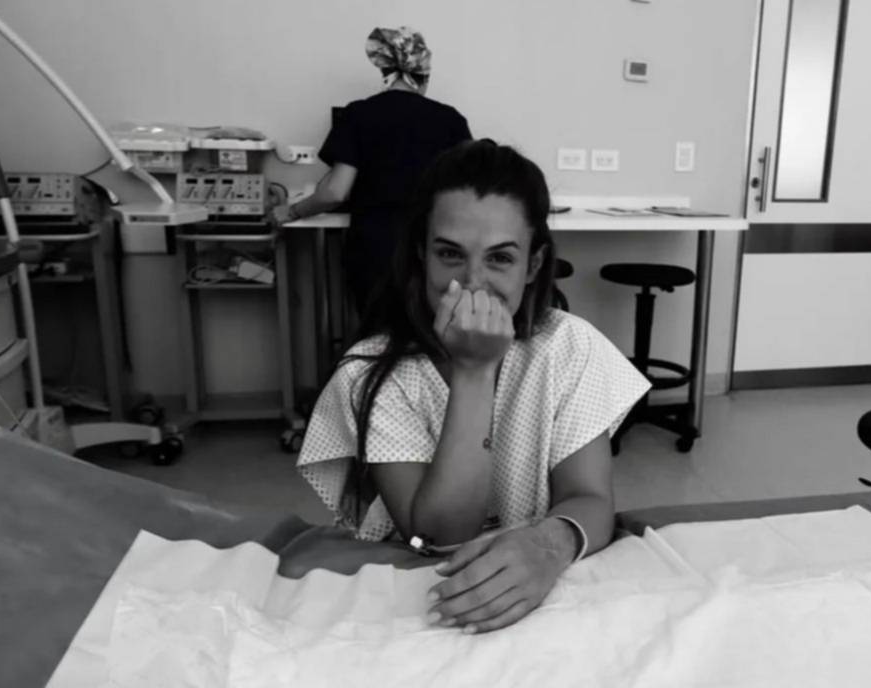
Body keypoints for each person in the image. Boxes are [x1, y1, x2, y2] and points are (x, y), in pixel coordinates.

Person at [297, 140, 650, 634]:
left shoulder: (568, 347)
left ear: (532, 266)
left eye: (500, 258)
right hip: (414, 599)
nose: (473, 282)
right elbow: (438, 537)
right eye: (450, 254)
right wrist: (474, 372)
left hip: (532, 598)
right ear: (422, 255)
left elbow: (589, 497)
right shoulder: (370, 373)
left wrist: (548, 544)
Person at [270, 26, 472, 313]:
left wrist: (291, 211)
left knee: (377, 331)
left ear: (385, 72)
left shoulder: (358, 114)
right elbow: (468, 192)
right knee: (431, 328)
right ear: (423, 76)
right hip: (433, 249)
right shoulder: (450, 120)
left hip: (375, 250)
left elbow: (335, 192)